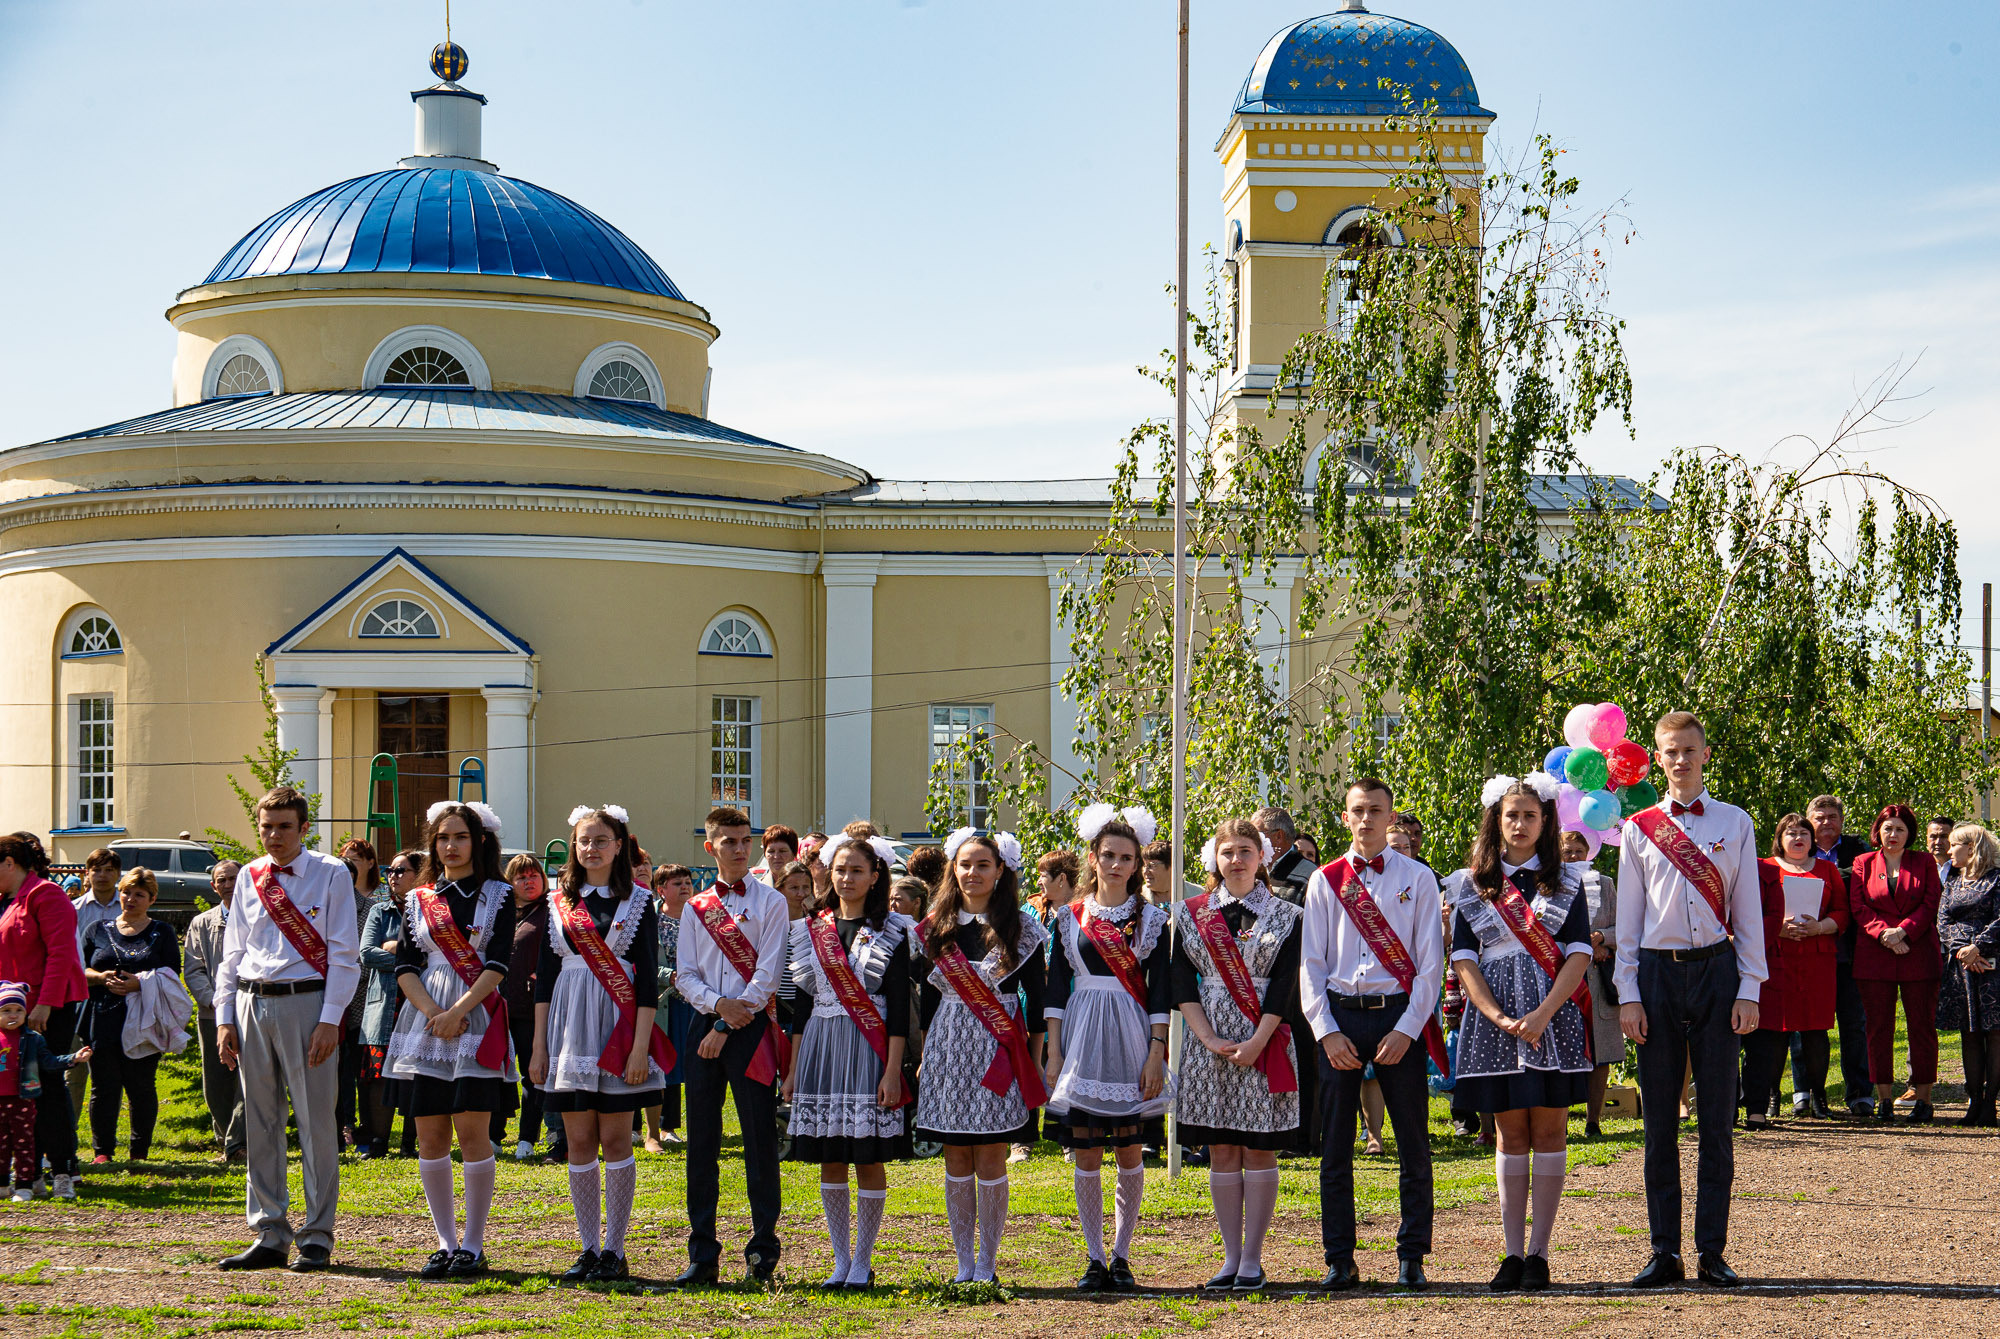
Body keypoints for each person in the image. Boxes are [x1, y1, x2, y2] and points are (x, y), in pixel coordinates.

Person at [1614, 712, 1765, 1289]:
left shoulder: (1737, 822)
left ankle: (1711, 1251)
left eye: (1689, 750)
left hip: (1718, 975)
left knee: (1717, 1121)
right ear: (1658, 757)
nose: (1680, 760)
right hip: (1656, 975)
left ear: (1706, 754)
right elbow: (1628, 923)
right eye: (1670, 751)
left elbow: (1747, 912)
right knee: (1658, 1126)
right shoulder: (1639, 828)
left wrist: (1750, 986)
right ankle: (1663, 1251)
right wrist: (1627, 995)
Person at [1447, 774, 1592, 1291]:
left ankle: (1540, 1253)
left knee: (1550, 1131)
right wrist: (1496, 1016)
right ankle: (1510, 1253)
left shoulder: (1569, 881)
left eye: (1531, 815)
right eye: (1512, 814)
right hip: (1495, 1023)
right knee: (1509, 1134)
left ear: (1546, 821)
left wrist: (1546, 1013)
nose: (1521, 824)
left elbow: (1578, 952)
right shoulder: (1470, 884)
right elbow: (1463, 958)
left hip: (1554, 1021)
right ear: (1496, 820)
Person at [214, 786, 364, 1273]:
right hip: (251, 1002)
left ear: (304, 829)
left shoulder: (330, 873)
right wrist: (223, 1017)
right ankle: (270, 1233)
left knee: (316, 1123)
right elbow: (232, 952)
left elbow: (344, 952)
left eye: (284, 826)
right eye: (266, 827)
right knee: (259, 1122)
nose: (274, 835)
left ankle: (317, 1235)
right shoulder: (250, 877)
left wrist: (330, 1018)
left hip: (307, 1003)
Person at [1303, 779, 1445, 1292]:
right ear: (1345, 818)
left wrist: (1408, 1029)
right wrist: (1326, 1031)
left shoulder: (1420, 878)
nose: (1366, 819)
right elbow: (1311, 965)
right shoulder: (1325, 879)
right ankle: (1339, 1259)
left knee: (1412, 1144)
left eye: (1376, 810)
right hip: (1341, 1016)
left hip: (1396, 1017)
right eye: (1358, 811)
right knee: (1335, 1148)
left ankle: (1412, 1256)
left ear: (1391, 818)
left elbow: (1431, 964)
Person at [532, 805, 669, 1285]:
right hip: (569, 1027)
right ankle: (587, 1245)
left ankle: (615, 1248)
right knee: (579, 1141)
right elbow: (546, 979)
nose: (591, 848)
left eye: (601, 840)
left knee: (615, 1139)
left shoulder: (638, 902)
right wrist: (538, 1046)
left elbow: (648, 980)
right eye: (583, 840)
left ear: (619, 845)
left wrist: (639, 1048)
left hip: (618, 1027)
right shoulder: (557, 903)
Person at [385, 802, 517, 1279]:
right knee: (430, 1135)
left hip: (476, 1019)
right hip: (426, 1023)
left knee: (472, 1132)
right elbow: (405, 967)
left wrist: (459, 1013)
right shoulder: (420, 899)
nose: (450, 846)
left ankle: (474, 1245)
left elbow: (499, 963)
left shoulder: (498, 895)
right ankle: (444, 1241)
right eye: (442, 838)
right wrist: (435, 1014)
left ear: (478, 841)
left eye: (460, 836)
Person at [1044, 805, 1171, 1293]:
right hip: (1082, 1038)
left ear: (1137, 864)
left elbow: (1159, 993)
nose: (1116, 864)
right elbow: (1057, 990)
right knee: (1087, 1154)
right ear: (1093, 859)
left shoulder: (1153, 920)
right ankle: (1093, 1256)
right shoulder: (1070, 917)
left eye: (1126, 857)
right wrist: (1054, 1053)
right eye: (1108, 855)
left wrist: (1156, 1052)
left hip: (1133, 1037)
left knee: (1129, 1149)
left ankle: (1122, 1254)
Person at [1171, 818, 1299, 1291]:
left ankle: (1253, 1258)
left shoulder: (1288, 914)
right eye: (1228, 852)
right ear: (1215, 859)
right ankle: (1228, 1258)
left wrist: (1257, 1042)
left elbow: (1286, 986)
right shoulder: (1191, 914)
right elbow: (1182, 983)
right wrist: (1207, 1039)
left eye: (1246, 850)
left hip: (1265, 1041)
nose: (1237, 860)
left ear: (1262, 855)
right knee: (1221, 1148)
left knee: (1258, 1147)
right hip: (1210, 1044)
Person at [914, 829, 1046, 1285]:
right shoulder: (935, 928)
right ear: (953, 869)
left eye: (983, 865)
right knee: (955, 1157)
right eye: (965, 864)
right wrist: (926, 1055)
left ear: (1000, 871)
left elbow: (1039, 1000)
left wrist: (1035, 1060)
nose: (973, 873)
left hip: (1000, 1044)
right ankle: (963, 1264)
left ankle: (987, 1264)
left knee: (991, 1156)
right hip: (948, 1047)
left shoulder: (1023, 929)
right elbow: (926, 1004)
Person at [783, 830, 913, 1290]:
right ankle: (840, 1259)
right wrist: (795, 1069)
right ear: (827, 873)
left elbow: (899, 1008)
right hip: (821, 1045)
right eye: (839, 869)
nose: (847, 877)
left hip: (869, 1048)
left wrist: (893, 1070)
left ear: (876, 875)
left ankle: (863, 1259)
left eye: (857, 870)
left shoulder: (893, 931)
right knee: (831, 1157)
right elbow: (800, 1007)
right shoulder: (809, 931)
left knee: (866, 1155)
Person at [666, 805, 787, 1289]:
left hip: (750, 1030)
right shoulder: (696, 909)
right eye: (728, 841)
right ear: (709, 846)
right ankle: (702, 1254)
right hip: (705, 1026)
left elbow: (769, 973)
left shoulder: (771, 903)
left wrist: (731, 1018)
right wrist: (718, 1009)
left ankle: (762, 1251)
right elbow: (685, 975)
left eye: (744, 841)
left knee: (759, 1140)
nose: (738, 849)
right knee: (702, 1144)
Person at [1742, 814, 1844, 1126]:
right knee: (1772, 1031)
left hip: (1816, 960)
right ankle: (1772, 1096)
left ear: (1812, 840)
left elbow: (1842, 911)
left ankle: (1819, 1097)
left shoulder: (1827, 870)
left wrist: (1819, 927)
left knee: (1815, 1031)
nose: (1797, 838)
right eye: (1790, 832)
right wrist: (1777, 929)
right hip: (1775, 957)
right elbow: (1749, 908)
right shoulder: (1763, 867)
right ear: (1779, 838)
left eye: (1803, 832)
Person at [0, 833, 86, 1199]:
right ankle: (30, 1173)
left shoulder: (45, 895)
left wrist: (45, 1003)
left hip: (47, 1008)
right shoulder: (7, 901)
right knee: (19, 1092)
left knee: (46, 1087)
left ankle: (64, 1170)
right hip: (14, 1010)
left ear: (9, 863)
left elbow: (61, 953)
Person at [79, 867, 182, 1163]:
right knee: (103, 1085)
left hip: (145, 1018)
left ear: (151, 899)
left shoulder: (162, 932)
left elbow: (172, 973)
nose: (131, 899)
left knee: (141, 1086)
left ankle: (139, 1151)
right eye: (126, 892)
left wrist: (140, 982)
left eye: (139, 894)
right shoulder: (97, 929)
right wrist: (101, 978)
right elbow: (81, 969)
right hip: (103, 1016)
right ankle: (103, 1152)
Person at [1849, 803, 1943, 1124]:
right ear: (1879, 830)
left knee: (1922, 1029)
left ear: (1909, 834)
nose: (1893, 835)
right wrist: (1884, 934)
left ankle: (1924, 1100)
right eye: (1888, 828)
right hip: (1875, 958)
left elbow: (1931, 901)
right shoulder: (1863, 862)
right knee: (1878, 1030)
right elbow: (1858, 906)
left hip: (1918, 955)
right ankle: (1885, 1100)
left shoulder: (1924, 861)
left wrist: (1903, 931)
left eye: (1900, 829)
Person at [1803, 796, 1874, 1116]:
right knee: (1806, 1025)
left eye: (1832, 816)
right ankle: (1803, 1092)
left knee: (1854, 1024)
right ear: (1809, 821)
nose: (1826, 822)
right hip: (1806, 953)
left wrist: (1826, 877)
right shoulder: (1798, 845)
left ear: (1842, 820)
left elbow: (1864, 881)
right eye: (1819, 817)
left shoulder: (1859, 850)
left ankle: (1860, 1093)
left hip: (1851, 952)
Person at [0, 981, 90, 1200]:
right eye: (6, 1010)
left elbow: (49, 1061)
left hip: (23, 1100)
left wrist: (73, 1059)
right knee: (1, 1145)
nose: (13, 1015)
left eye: (19, 1010)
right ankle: (3, 1185)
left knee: (24, 1144)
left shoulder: (32, 1039)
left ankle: (25, 1185)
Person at [1937, 823, 2000, 1125]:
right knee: (1970, 1035)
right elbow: (1943, 921)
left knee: (1996, 1035)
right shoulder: (1952, 882)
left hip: (1993, 968)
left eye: (1953, 845)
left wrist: (1979, 947)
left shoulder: (1997, 880)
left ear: (1972, 848)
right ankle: (1974, 1101)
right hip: (1962, 969)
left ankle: (1990, 1103)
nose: (1948, 851)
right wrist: (1965, 950)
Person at [184, 860, 246, 1163]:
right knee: (216, 1085)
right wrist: (216, 1001)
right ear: (213, 886)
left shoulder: (257, 917)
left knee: (249, 1080)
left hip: (251, 1011)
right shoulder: (201, 923)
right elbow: (193, 969)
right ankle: (229, 1141)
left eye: (233, 878)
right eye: (222, 880)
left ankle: (237, 1144)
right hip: (212, 1014)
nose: (228, 885)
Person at [360, 852, 421, 1160]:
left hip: (418, 1004)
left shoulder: (429, 910)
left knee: (414, 1074)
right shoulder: (379, 911)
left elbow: (434, 957)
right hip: (384, 1006)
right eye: (390, 871)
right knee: (376, 1077)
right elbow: (367, 954)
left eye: (401, 870)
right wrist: (407, 958)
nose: (393, 876)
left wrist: (399, 952)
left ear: (419, 874)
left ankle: (410, 1144)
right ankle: (378, 1142)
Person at [1561, 831, 1622, 1136]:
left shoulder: (1605, 884)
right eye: (1566, 851)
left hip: (1598, 980)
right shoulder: (1548, 885)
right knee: (1562, 1049)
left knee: (1599, 1052)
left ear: (1589, 852)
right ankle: (1557, 1120)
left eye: (1576, 850)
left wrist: (1601, 939)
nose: (1571, 856)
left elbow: (1623, 925)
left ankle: (1593, 1121)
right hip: (1563, 980)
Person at [494, 854, 552, 1161]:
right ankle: (493, 1135)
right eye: (520, 877)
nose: (528, 882)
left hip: (534, 1009)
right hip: (498, 1008)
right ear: (510, 882)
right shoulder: (501, 913)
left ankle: (527, 1139)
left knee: (534, 1074)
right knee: (495, 1072)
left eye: (534, 876)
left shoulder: (551, 912)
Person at [68, 847, 122, 1142]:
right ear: (86, 874)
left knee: (107, 1074)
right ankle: (67, 1137)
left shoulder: (125, 907)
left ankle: (104, 1141)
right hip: (77, 998)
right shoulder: (74, 910)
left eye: (109, 870)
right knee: (73, 1072)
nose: (102, 876)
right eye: (96, 869)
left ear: (118, 874)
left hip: (115, 999)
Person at [337, 839, 383, 1153]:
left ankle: (366, 1135)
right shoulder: (314, 912)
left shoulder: (369, 910)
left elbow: (368, 959)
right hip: (319, 1005)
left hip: (357, 1007)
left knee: (362, 1075)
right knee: (334, 1077)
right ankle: (339, 1131)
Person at [649, 864, 696, 1148]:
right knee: (663, 1065)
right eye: (677, 883)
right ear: (661, 889)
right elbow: (640, 961)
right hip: (662, 1004)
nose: (685, 887)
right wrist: (670, 977)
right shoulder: (649, 920)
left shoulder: (701, 917)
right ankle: (660, 1128)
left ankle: (681, 1126)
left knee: (690, 1066)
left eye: (688, 881)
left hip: (695, 1002)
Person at [1254, 807, 1310, 906]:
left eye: (1257, 834)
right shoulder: (1252, 869)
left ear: (1278, 836)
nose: (1251, 840)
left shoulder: (1310, 875)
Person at [1030, 850, 1078, 932]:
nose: (1038, 882)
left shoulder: (1086, 913)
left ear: (1061, 878)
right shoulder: (1031, 909)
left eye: (1043, 876)